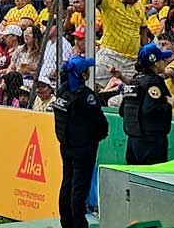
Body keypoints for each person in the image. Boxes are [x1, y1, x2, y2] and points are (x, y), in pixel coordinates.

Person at [52, 56, 116, 228]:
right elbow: (99, 121)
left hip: (66, 145)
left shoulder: (62, 91)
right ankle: (79, 223)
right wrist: (100, 134)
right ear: (83, 75)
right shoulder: (85, 95)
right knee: (79, 187)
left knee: (67, 182)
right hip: (83, 147)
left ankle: (66, 221)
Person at [122, 44, 174, 165]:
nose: (164, 62)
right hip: (151, 142)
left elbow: (122, 110)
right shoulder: (154, 82)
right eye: (162, 59)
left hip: (133, 141)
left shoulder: (134, 81)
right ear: (155, 63)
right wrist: (169, 105)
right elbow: (150, 110)